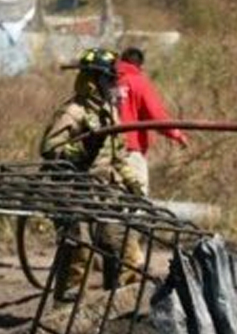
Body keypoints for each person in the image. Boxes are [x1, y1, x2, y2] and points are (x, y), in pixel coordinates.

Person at [39, 47, 145, 303]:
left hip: (105, 191)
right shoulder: (73, 112)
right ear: (92, 80)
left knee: (120, 248)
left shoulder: (110, 110)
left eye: (113, 79)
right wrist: (80, 147)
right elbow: (49, 149)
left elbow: (118, 153)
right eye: (108, 79)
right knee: (79, 250)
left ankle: (119, 309)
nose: (112, 84)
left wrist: (131, 182)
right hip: (74, 191)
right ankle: (66, 311)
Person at [115, 47, 189, 196]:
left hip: (103, 152)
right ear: (139, 65)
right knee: (137, 202)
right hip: (129, 150)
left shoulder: (108, 81)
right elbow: (156, 117)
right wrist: (177, 134)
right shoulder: (137, 81)